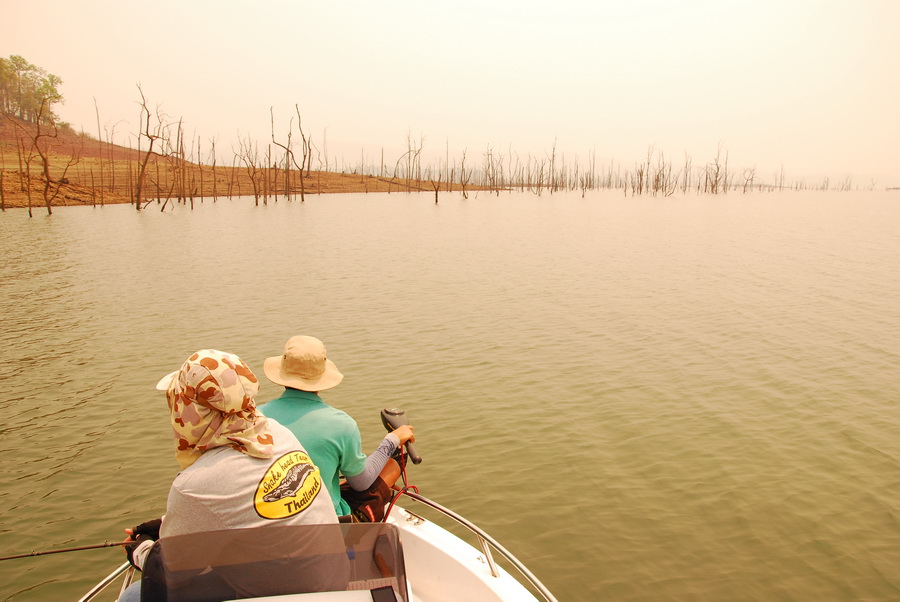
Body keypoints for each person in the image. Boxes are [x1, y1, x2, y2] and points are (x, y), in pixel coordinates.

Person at [119, 349, 341, 601]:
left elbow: (170, 571)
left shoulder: (194, 485)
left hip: (280, 594)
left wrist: (139, 550)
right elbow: (247, 501)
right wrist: (166, 521)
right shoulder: (278, 434)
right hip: (331, 580)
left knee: (132, 596)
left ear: (190, 412)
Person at [260, 335, 415, 522]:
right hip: (327, 524)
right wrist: (392, 440)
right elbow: (361, 483)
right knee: (392, 464)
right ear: (322, 375)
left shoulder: (256, 417)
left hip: (270, 518)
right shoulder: (341, 424)